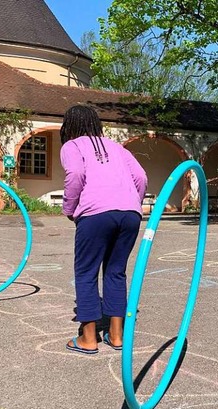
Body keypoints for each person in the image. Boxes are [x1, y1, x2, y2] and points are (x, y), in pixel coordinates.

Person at [59, 105, 147, 355]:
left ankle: (88, 339)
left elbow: (76, 173)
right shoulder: (117, 146)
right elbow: (141, 177)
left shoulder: (72, 146)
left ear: (69, 127)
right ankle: (117, 335)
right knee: (116, 272)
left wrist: (69, 208)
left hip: (95, 213)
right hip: (130, 214)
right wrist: (132, 204)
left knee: (86, 273)